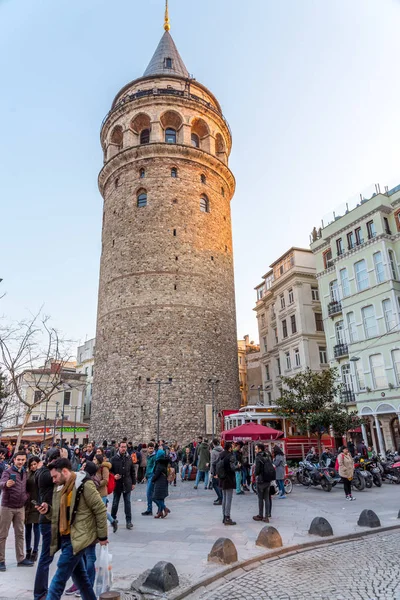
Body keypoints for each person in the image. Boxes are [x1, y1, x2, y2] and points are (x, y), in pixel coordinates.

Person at [36, 457, 107, 600]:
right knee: (82, 580)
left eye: (55, 476)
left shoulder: (84, 485)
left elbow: (100, 509)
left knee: (58, 580)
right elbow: (58, 514)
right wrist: (47, 510)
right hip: (65, 538)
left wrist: (102, 536)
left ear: (64, 471)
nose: (53, 480)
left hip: (78, 539)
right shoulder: (60, 488)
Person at [33, 447, 63, 600]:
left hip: (51, 519)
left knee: (68, 555)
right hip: (48, 520)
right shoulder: (46, 474)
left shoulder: (43, 471)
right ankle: (40, 594)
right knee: (46, 558)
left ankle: (41, 592)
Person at [0, 450, 33, 571]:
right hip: (7, 507)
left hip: (20, 508)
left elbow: (26, 488)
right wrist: (6, 484)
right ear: (14, 460)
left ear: (25, 461)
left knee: (20, 534)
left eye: (22, 460)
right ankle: (1, 560)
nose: (20, 462)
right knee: (2, 535)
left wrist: (26, 496)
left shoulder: (25, 472)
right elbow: (1, 483)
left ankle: (21, 559)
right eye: (18, 459)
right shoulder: (7, 471)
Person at [110, 441, 136, 529]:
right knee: (115, 503)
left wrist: (133, 483)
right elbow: (110, 471)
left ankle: (129, 521)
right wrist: (114, 476)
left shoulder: (129, 458)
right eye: (122, 447)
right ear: (119, 447)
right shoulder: (114, 459)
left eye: (125, 447)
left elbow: (132, 471)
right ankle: (112, 519)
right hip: (117, 484)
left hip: (127, 483)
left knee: (127, 503)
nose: (123, 448)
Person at [93, 454, 118, 532]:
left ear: (98, 460)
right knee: (99, 510)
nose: (93, 460)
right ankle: (112, 521)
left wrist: (97, 484)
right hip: (95, 492)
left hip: (102, 492)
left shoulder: (104, 468)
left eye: (94, 459)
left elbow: (106, 480)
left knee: (102, 511)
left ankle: (112, 522)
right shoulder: (94, 468)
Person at [25, 456, 41, 562]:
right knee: (27, 529)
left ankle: (35, 550)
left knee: (36, 528)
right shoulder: (27, 474)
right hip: (27, 504)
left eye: (35, 464)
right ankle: (28, 550)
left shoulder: (41, 474)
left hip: (37, 503)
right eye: (31, 465)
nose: (33, 466)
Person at [253, 443, 274, 522]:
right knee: (267, 498)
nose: (255, 451)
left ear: (260, 449)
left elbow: (257, 470)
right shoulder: (268, 455)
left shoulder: (258, 457)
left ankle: (260, 515)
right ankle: (267, 516)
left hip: (261, 480)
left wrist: (255, 475)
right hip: (268, 479)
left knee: (260, 498)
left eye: (256, 449)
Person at [217, 441, 237, 526]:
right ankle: (227, 517)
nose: (233, 447)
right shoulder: (231, 456)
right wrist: (238, 466)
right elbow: (232, 468)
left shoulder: (221, 454)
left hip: (222, 478)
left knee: (224, 498)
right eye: (232, 446)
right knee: (228, 498)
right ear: (229, 448)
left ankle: (224, 516)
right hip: (229, 478)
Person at [152, 449, 170, 518]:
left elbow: (156, 474)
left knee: (154, 497)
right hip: (164, 481)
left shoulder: (159, 463)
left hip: (160, 482)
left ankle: (165, 508)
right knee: (161, 498)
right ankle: (160, 512)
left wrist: (152, 480)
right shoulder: (164, 462)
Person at [141, 442, 157, 516]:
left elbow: (154, 467)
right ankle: (150, 509)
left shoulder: (154, 456)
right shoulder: (148, 456)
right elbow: (148, 467)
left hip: (152, 476)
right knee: (150, 494)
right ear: (147, 448)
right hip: (149, 476)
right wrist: (145, 475)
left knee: (149, 493)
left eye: (152, 448)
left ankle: (161, 507)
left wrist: (152, 474)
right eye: (149, 448)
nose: (150, 450)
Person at [210, 438, 223, 505]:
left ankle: (220, 497)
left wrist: (211, 471)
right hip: (221, 469)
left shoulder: (213, 452)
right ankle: (220, 497)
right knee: (219, 484)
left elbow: (212, 462)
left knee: (214, 484)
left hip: (215, 470)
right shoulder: (222, 450)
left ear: (213, 444)